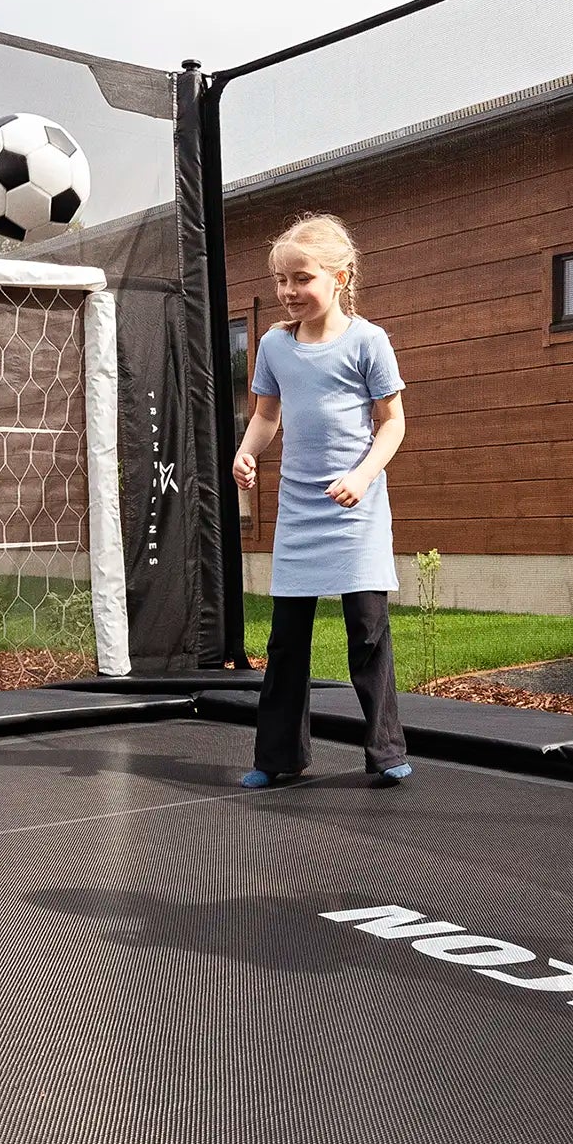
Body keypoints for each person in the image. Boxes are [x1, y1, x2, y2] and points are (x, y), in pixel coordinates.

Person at [232, 213, 411, 788]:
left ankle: (385, 751)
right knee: (286, 638)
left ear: (340, 277)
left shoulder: (368, 341)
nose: (288, 291)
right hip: (300, 509)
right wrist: (246, 452)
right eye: (281, 280)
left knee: (367, 629)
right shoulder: (274, 345)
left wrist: (362, 476)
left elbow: (392, 424)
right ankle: (278, 757)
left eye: (301, 279)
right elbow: (266, 416)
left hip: (356, 508)